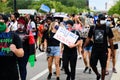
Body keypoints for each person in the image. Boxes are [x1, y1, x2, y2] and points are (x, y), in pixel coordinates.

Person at [82, 14, 114, 80]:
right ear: (98, 19)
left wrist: (112, 51)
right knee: (92, 64)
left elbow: (111, 40)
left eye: (103, 19)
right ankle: (97, 74)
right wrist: (83, 47)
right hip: (95, 50)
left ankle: (102, 79)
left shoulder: (107, 28)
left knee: (103, 66)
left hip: (103, 50)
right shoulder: (93, 28)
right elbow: (88, 38)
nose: (103, 21)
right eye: (101, 19)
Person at [0, 14, 24, 80]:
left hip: (11, 73)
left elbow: (21, 54)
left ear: (7, 23)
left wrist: (15, 50)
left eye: (1, 23)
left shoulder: (14, 36)